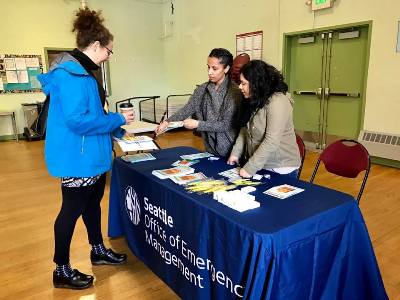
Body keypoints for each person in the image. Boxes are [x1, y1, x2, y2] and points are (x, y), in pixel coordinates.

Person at [38, 7, 133, 290]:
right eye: (108, 51)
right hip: (77, 158)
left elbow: (93, 113)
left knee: (92, 205)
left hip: (90, 155)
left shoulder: (82, 73)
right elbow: (78, 122)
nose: (108, 56)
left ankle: (97, 249)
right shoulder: (70, 76)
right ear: (95, 45)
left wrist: (117, 127)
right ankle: (61, 269)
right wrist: (116, 119)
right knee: (70, 211)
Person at [155, 48, 242, 158]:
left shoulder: (234, 92)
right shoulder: (202, 89)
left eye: (214, 68)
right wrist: (167, 122)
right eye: (208, 67)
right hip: (210, 147)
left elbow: (225, 124)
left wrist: (197, 124)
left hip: (230, 149)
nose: (209, 72)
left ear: (226, 68)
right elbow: (188, 108)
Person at [227, 60, 301, 178]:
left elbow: (271, 141)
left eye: (243, 83)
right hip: (260, 165)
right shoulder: (255, 98)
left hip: (281, 167)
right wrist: (236, 153)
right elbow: (245, 129)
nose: (240, 87)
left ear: (256, 83)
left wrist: (250, 168)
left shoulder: (278, 101)